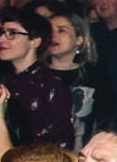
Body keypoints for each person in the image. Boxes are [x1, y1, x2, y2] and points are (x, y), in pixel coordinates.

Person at [0, 10, 72, 148]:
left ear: (34, 41)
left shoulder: (50, 85)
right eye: (2, 32)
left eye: (12, 33)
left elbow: (61, 142)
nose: (1, 39)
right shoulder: (3, 81)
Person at [45, 11, 106, 148]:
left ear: (79, 39)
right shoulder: (37, 75)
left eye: (61, 30)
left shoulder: (94, 76)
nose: (52, 35)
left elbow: (105, 120)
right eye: (49, 30)